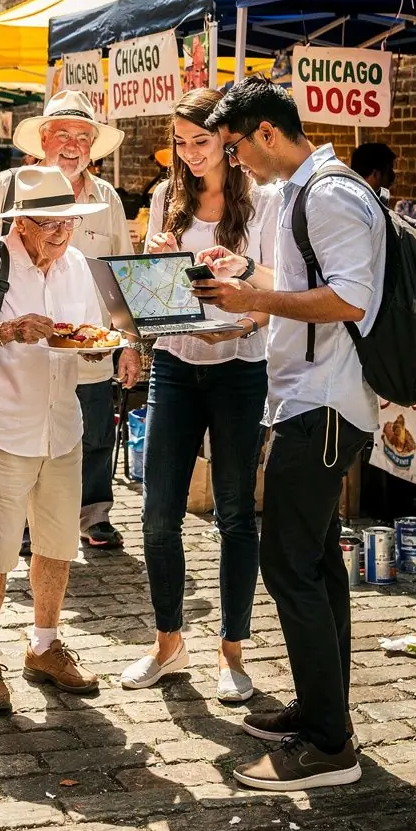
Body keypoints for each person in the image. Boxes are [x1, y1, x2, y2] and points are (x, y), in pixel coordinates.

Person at [197, 75, 384, 791]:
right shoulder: (308, 191)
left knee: (289, 565)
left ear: (267, 134)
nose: (235, 161)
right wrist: (247, 270)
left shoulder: (330, 193)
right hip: (312, 399)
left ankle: (330, 746)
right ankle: (321, 710)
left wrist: (255, 297)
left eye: (237, 147)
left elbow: (347, 299)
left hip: (327, 403)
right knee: (315, 563)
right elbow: (307, 276)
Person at [120, 89, 280, 702]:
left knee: (236, 512)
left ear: (226, 141)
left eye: (201, 142)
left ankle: (232, 653)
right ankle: (169, 643)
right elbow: (155, 295)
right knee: (159, 513)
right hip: (177, 366)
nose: (188, 155)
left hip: (242, 367)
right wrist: (153, 266)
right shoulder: (166, 197)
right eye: (180, 143)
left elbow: (276, 294)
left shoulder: (263, 202)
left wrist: (245, 310)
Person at [0, 165, 110, 713]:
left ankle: (44, 645)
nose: (61, 233)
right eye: (48, 223)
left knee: (58, 544)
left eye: (68, 221)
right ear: (19, 222)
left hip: (61, 425)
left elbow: (87, 331)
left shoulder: (77, 265)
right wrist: (12, 330)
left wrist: (97, 346)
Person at [0, 90, 141, 551]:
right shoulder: (10, 185)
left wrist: (130, 342)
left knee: (96, 433)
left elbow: (125, 271)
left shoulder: (107, 198)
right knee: (21, 437)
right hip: (19, 354)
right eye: (63, 134)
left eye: (84, 137)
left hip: (89, 343)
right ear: (42, 139)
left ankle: (93, 515)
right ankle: (21, 523)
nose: (74, 145)